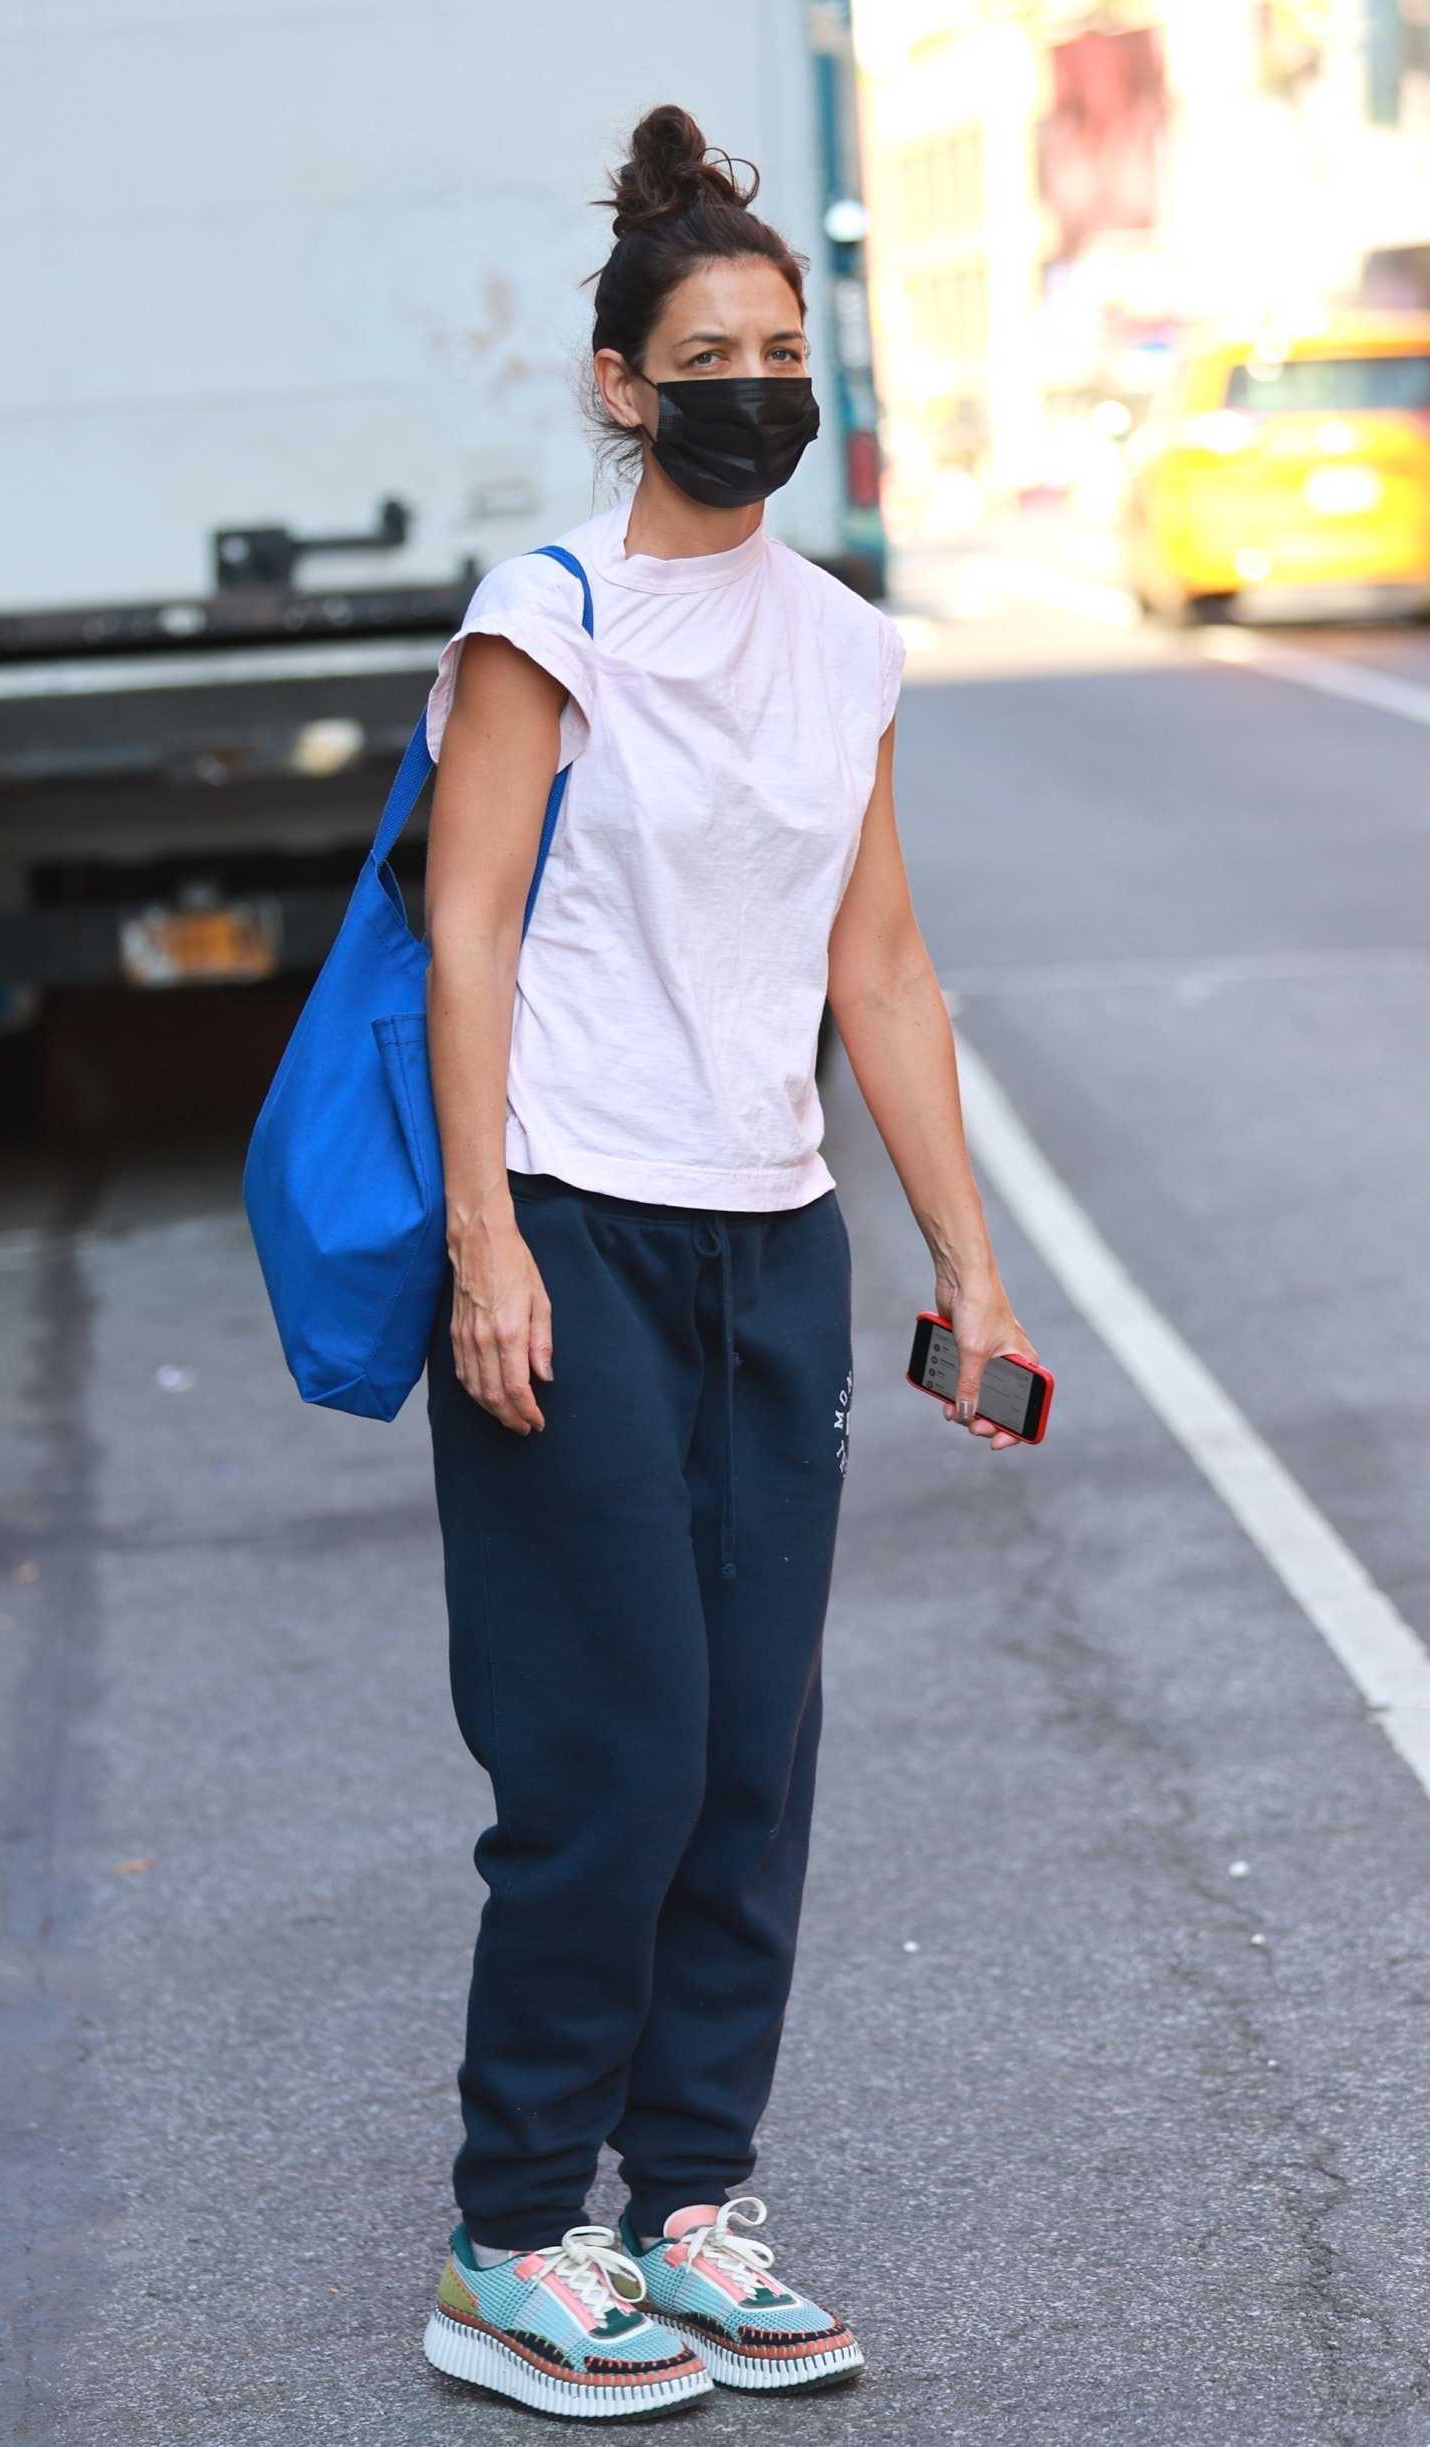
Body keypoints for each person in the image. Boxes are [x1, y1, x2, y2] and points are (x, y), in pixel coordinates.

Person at [418, 102, 1039, 2422]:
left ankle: (686, 2204)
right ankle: (509, 2239)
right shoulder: (548, 621)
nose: (755, 381)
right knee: (616, 1749)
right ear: (620, 384)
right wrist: (487, 1239)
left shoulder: (848, 644)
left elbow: (880, 968)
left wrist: (967, 1264)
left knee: (754, 1753)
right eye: (711, 350)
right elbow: (463, 932)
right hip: (573, 1221)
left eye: (785, 346)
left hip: (773, 1248)